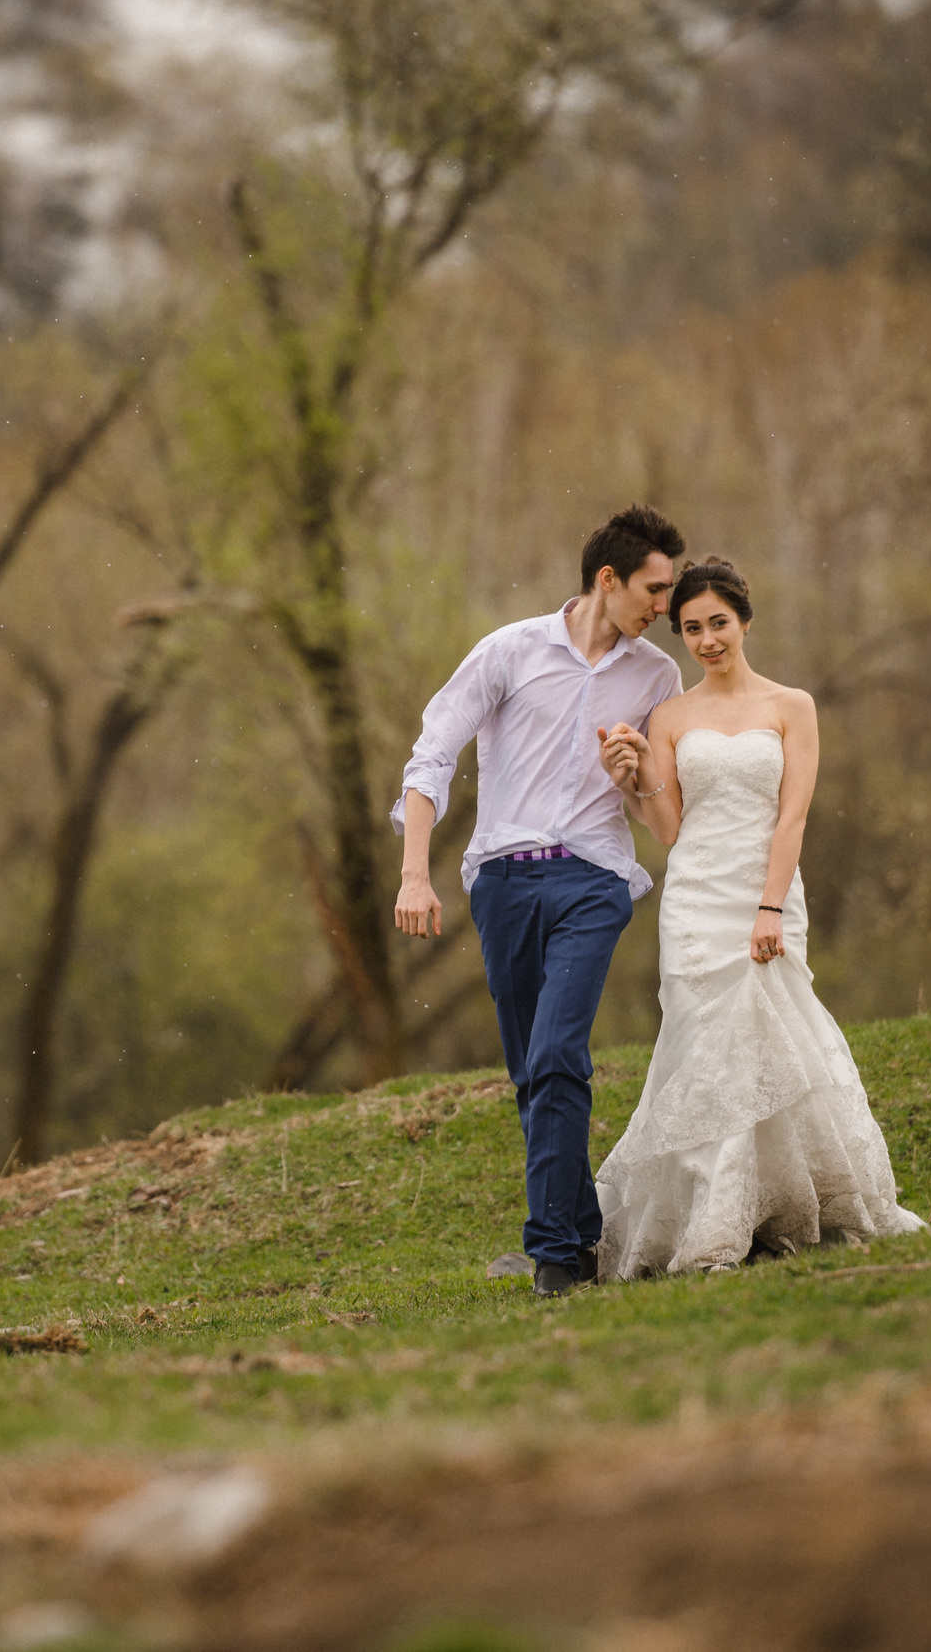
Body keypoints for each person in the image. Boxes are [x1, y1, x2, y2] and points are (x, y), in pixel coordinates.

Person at [591, 556, 923, 1277]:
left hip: (765, 891)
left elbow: (792, 816)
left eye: (718, 623)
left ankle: (781, 1203)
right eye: (691, 629)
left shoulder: (791, 706)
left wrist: (770, 906)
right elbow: (668, 827)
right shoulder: (670, 716)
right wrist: (630, 780)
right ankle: (714, 1215)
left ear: (744, 620)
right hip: (695, 901)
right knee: (702, 1048)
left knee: (775, 1034)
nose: (707, 640)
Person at [393, 505, 688, 1298]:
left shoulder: (657, 678)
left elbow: (658, 814)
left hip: (593, 882)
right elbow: (432, 753)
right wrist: (414, 872)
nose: (663, 606)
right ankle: (581, 1232)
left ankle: (554, 1257)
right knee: (533, 1069)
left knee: (558, 1051)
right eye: (654, 590)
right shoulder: (509, 651)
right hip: (505, 884)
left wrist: (634, 773)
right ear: (607, 579)